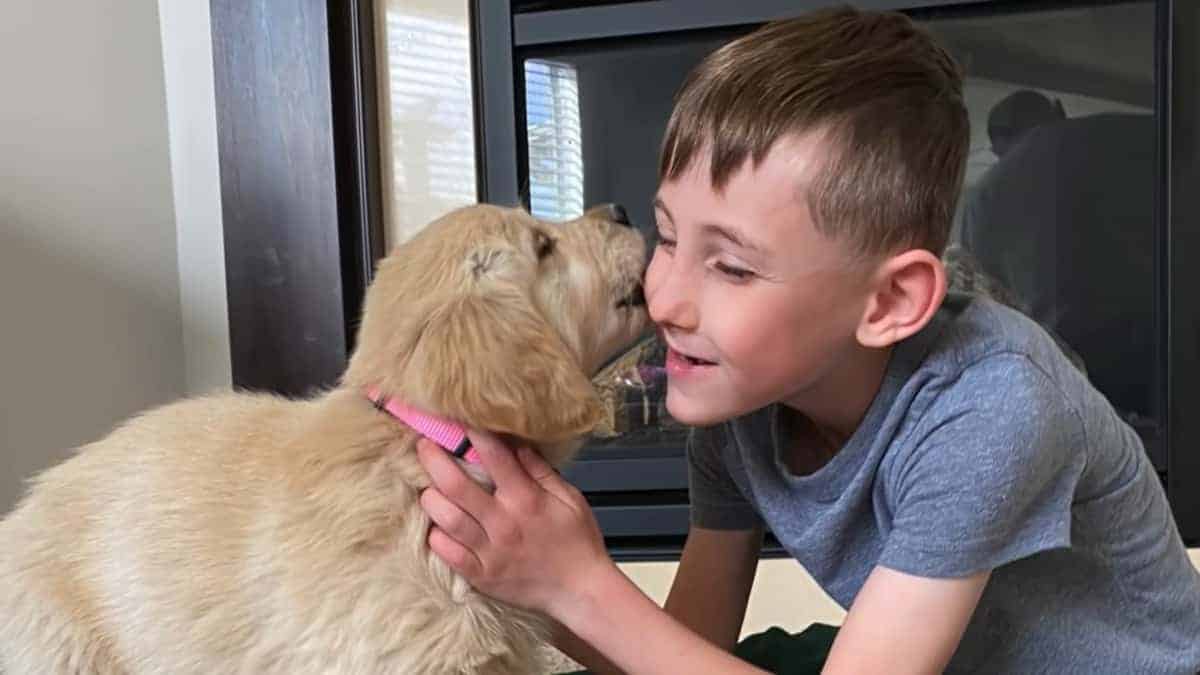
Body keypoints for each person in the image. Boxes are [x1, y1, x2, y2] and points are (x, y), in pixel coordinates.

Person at [415, 7, 1200, 674]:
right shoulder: (738, 402)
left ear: (890, 300)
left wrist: (580, 583)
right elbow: (683, 645)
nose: (663, 295)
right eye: (666, 236)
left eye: (730, 265)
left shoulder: (993, 403)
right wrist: (526, 575)